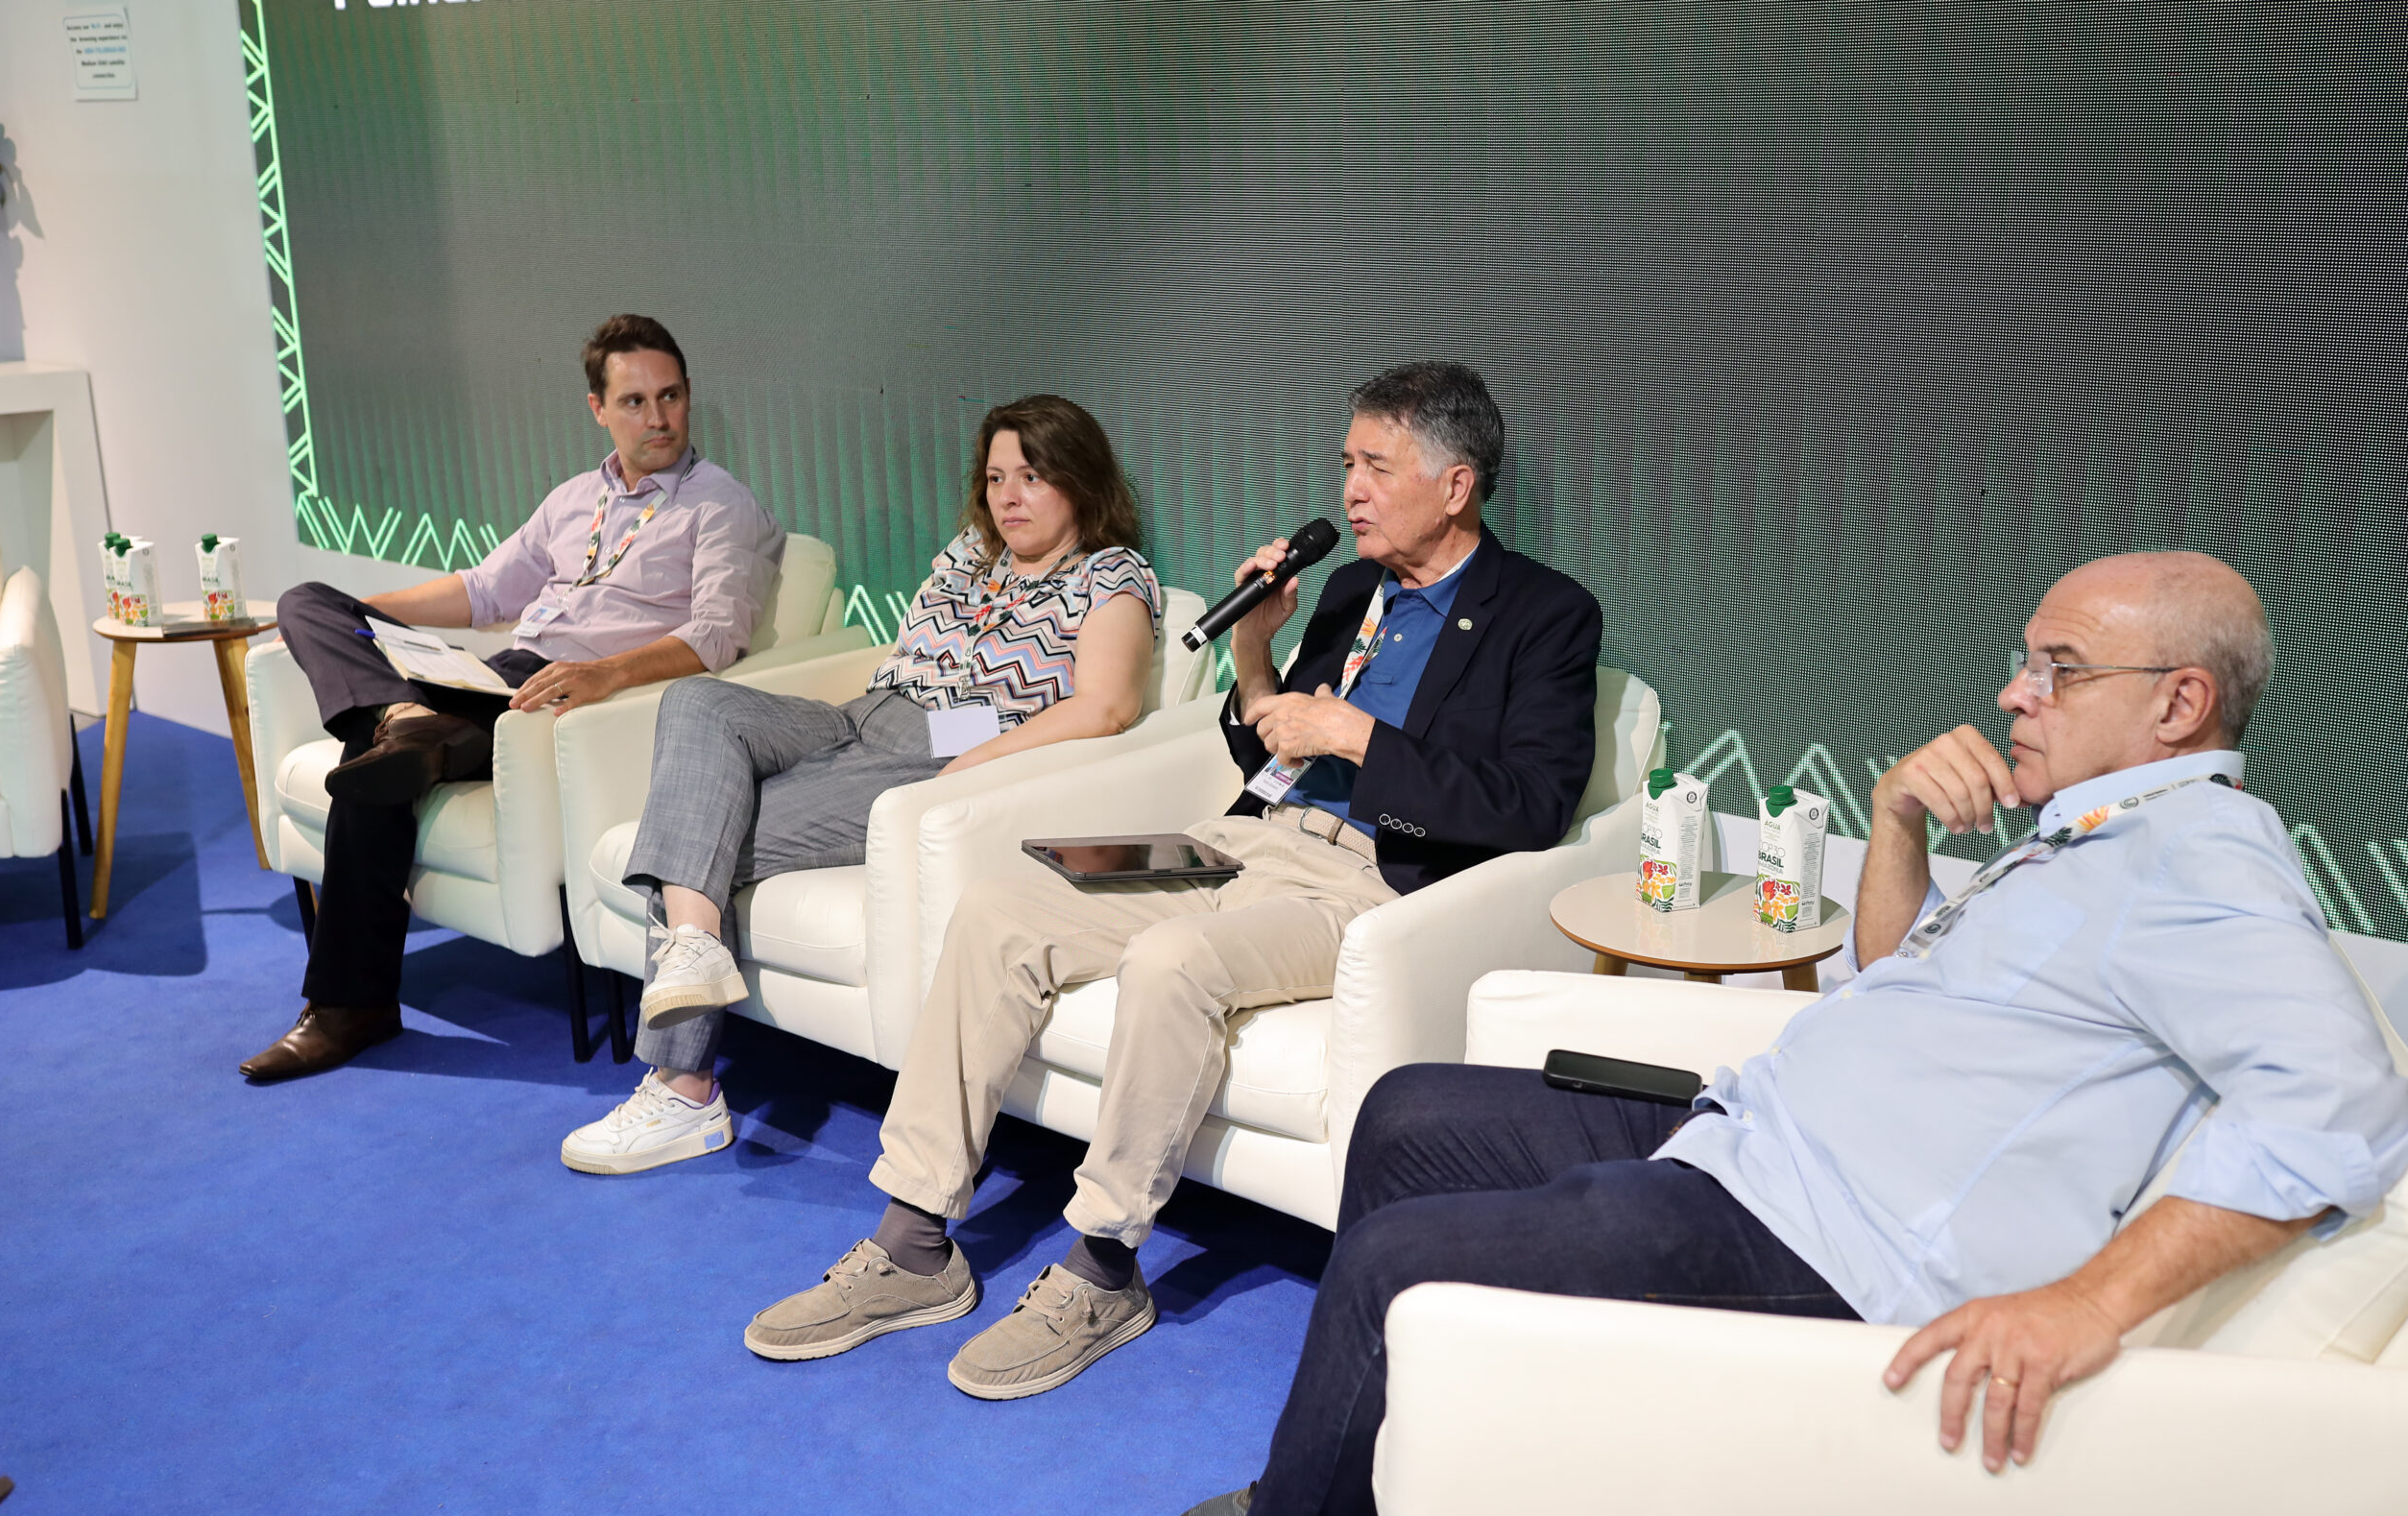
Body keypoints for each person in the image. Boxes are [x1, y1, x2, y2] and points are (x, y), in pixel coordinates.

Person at [1160, 550, 2408, 1516]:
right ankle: (1362, 1471)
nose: (2014, 692)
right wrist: (1896, 821)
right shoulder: (2093, 835)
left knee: (1392, 1261)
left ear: (2179, 702)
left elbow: (2341, 1109)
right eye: (2027, 662)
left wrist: (2087, 1302)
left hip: (1825, 1238)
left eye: (2059, 668)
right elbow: (1893, 973)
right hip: (1752, 1135)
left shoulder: (2205, 860)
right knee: (1412, 1112)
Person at [738, 360, 1606, 1401]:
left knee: (1171, 959)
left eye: (1376, 467)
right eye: (1347, 464)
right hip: (1237, 838)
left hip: (1364, 880)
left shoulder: (1545, 615)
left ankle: (1104, 1267)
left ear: (1455, 485)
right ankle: (915, 1239)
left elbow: (1530, 804)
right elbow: (1267, 748)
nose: (1350, 491)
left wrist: (1358, 736)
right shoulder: (1350, 590)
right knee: (1004, 905)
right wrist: (1256, 649)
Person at [558, 394, 1161, 1174]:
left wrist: (978, 757)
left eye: (1032, 477)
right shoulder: (969, 552)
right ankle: (696, 947)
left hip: (949, 743)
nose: (1008, 497)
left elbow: (1107, 705)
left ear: (1080, 480)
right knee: (698, 701)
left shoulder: (1111, 574)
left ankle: (683, 1089)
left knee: (682, 838)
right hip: (861, 713)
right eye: (995, 478)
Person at [240, 314, 783, 1082]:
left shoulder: (719, 504)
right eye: (634, 402)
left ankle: (347, 1006)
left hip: (568, 700)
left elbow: (719, 634)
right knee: (306, 601)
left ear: (689, 395)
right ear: (598, 408)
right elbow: (485, 590)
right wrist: (361, 617)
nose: (657, 418)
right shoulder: (574, 498)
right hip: (495, 676)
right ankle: (405, 720)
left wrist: (606, 674)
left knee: (370, 759)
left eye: (670, 396)